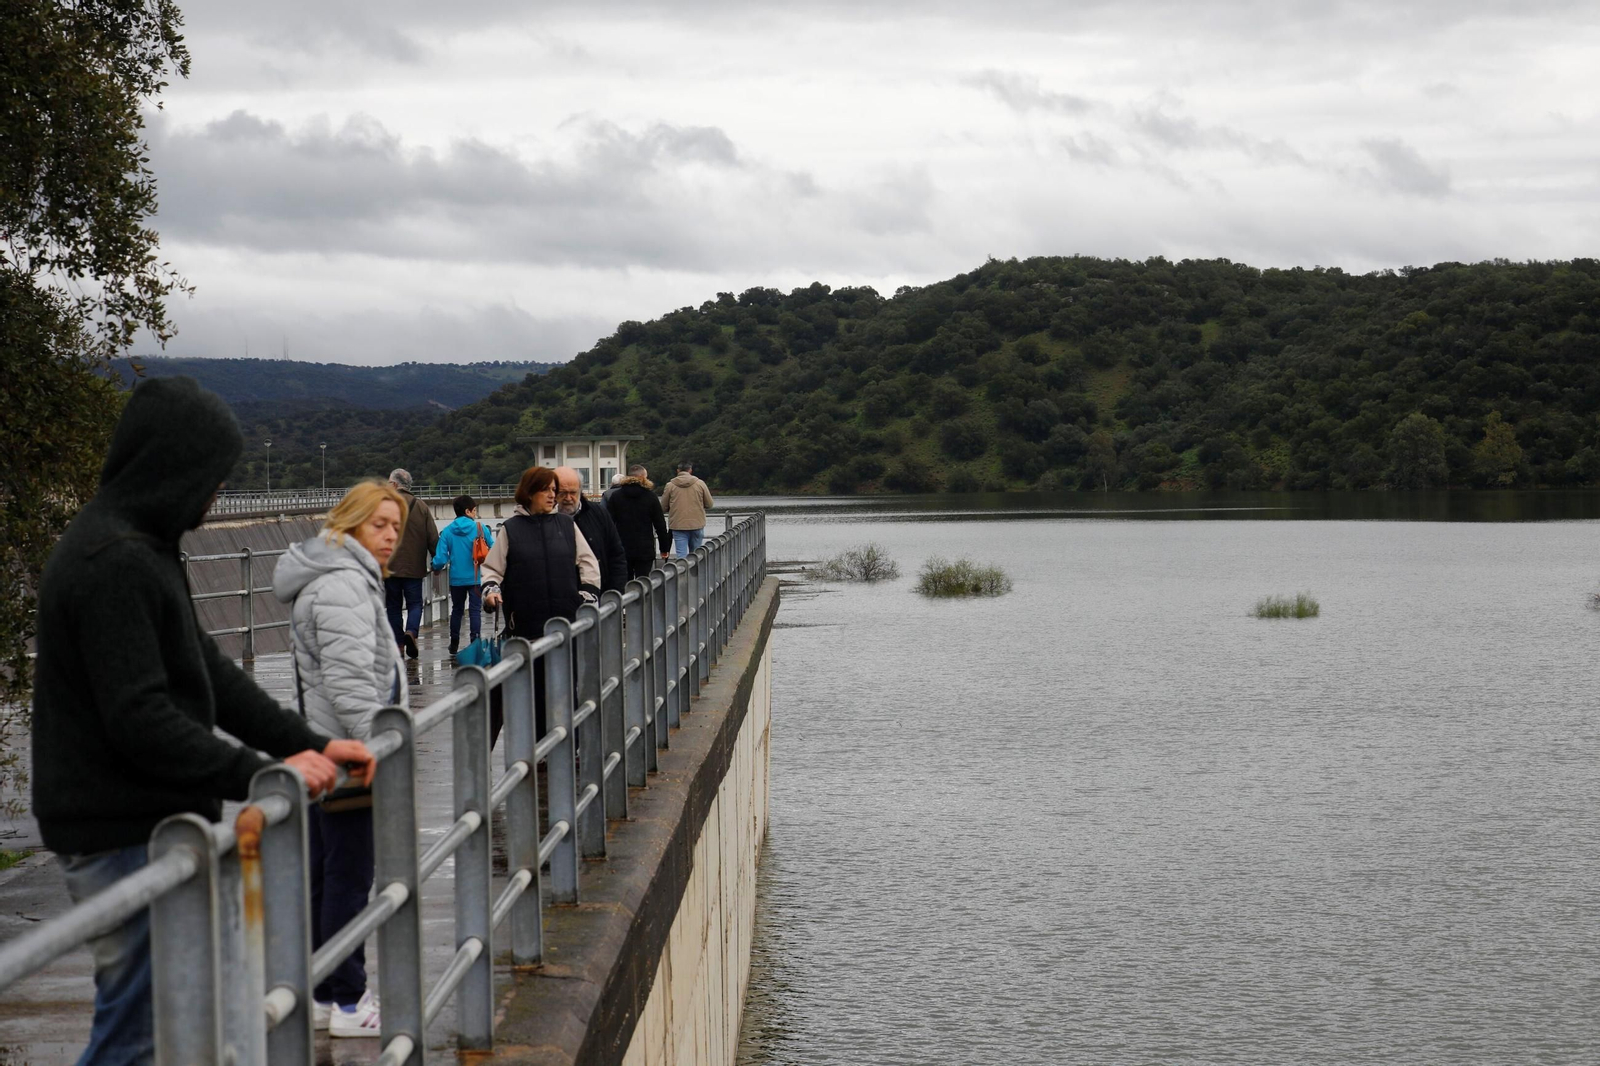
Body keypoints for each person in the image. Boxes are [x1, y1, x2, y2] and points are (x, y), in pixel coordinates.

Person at [30, 376, 375, 1066]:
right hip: (117, 829)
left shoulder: (142, 545)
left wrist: (308, 742)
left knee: (168, 1025)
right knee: (138, 1036)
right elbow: (141, 717)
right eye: (211, 477)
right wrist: (261, 771)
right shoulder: (114, 561)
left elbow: (206, 674)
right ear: (173, 466)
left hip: (146, 823)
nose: (215, 494)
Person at [273, 480, 410, 1038]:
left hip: (321, 747)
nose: (389, 537)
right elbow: (351, 682)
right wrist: (371, 746)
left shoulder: (335, 578)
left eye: (396, 527)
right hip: (347, 753)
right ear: (350, 523)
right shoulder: (343, 587)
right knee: (348, 879)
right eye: (378, 525)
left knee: (326, 877)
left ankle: (329, 994)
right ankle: (350, 1001)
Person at [480, 467, 600, 737]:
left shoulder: (568, 526)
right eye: (545, 489)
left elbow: (588, 563)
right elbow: (492, 570)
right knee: (534, 693)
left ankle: (572, 746)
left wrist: (587, 596)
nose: (552, 495)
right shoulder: (511, 529)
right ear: (529, 492)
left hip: (565, 623)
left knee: (569, 687)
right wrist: (490, 591)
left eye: (554, 490)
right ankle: (540, 749)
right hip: (526, 627)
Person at [383, 468, 438, 660]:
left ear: (395, 485)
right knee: (415, 604)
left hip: (389, 567)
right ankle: (412, 632)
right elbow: (433, 537)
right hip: (414, 568)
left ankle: (398, 645)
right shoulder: (421, 506)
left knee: (393, 606)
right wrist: (436, 561)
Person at [431, 494, 494, 654]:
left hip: (456, 579)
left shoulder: (447, 532)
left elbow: (440, 558)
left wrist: (435, 567)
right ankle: (475, 642)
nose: (475, 514)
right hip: (475, 577)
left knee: (457, 610)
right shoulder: (480, 528)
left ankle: (454, 642)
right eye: (474, 511)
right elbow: (494, 548)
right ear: (468, 511)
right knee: (474, 610)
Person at [554, 467, 628, 594]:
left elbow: (616, 554)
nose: (568, 498)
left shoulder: (598, 513)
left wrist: (615, 593)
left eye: (573, 492)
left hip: (599, 596)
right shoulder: (543, 519)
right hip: (560, 598)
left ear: (580, 490)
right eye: (562, 493)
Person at [605, 465, 671, 580]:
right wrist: (664, 548)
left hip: (622, 547)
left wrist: (608, 547)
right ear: (644, 477)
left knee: (625, 581)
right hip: (645, 548)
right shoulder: (650, 496)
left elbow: (608, 524)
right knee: (643, 582)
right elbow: (660, 524)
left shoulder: (616, 496)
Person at [661, 460, 715, 558]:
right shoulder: (700, 483)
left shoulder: (670, 485)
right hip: (697, 523)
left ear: (678, 470)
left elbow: (663, 507)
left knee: (681, 554)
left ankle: (682, 572)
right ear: (690, 470)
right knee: (696, 555)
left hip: (678, 524)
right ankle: (696, 573)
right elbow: (710, 504)